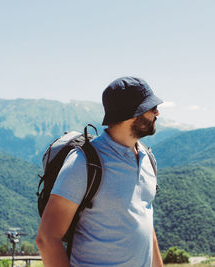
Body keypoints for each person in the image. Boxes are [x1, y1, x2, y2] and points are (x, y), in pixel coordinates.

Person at [36, 76, 164, 267]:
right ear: (131, 114)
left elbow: (145, 223)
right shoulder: (84, 162)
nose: (157, 113)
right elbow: (47, 238)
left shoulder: (147, 158)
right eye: (151, 108)